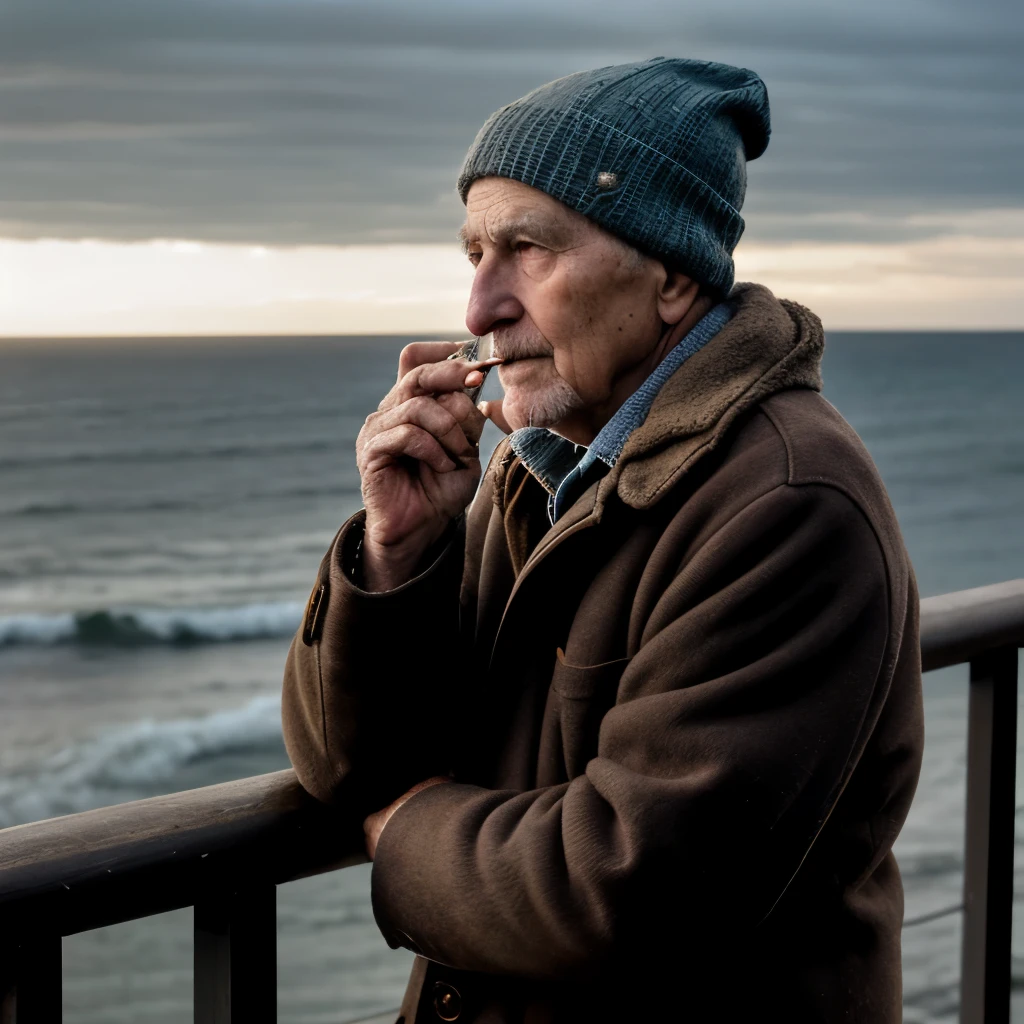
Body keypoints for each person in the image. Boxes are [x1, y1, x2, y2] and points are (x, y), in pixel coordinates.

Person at [282, 57, 924, 1023]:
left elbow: (631, 889)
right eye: (473, 255)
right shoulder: (531, 470)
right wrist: (397, 553)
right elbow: (346, 766)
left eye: (529, 250)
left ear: (670, 277)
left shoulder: (790, 503)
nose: (478, 308)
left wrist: (406, 832)